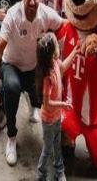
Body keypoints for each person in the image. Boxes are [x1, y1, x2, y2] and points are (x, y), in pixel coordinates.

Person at [0, 0, 64, 166]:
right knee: (12, 88)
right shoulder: (12, 15)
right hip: (12, 65)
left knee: (42, 97)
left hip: (34, 68)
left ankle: (32, 103)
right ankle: (11, 137)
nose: (32, 2)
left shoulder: (46, 13)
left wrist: (56, 49)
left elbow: (64, 26)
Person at [35, 32, 79, 181]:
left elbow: (64, 66)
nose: (59, 47)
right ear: (52, 53)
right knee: (47, 149)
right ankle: (41, 174)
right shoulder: (47, 77)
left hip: (57, 117)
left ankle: (59, 171)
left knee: (56, 146)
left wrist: (74, 52)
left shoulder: (55, 64)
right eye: (57, 45)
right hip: (48, 121)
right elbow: (47, 104)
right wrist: (62, 105)